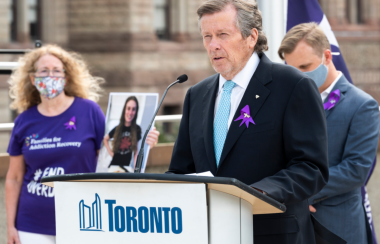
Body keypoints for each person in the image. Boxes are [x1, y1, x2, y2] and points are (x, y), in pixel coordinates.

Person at [167, 1, 329, 244]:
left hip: (271, 234)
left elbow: (311, 168)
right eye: (207, 36)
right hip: (211, 233)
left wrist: (258, 194)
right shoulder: (196, 95)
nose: (213, 45)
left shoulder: (292, 86)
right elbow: (182, 169)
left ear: (251, 37)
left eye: (222, 35)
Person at [5, 45, 159, 244]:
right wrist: (11, 226)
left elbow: (108, 158)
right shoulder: (24, 120)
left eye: (56, 70)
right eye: (43, 71)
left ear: (66, 78)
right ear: (33, 79)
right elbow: (14, 178)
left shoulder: (89, 111)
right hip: (32, 224)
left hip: (83, 217)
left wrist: (144, 145)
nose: (50, 76)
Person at [278, 23, 379, 244]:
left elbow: (355, 169)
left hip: (338, 225)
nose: (299, 76)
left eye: (305, 66)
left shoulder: (363, 105)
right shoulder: (289, 102)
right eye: (293, 69)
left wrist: (301, 192)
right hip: (292, 224)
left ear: (326, 56)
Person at [103, 96, 142, 171]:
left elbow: (136, 151)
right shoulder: (117, 128)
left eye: (133, 109)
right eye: (128, 108)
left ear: (136, 112)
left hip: (127, 168)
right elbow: (105, 139)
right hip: (114, 166)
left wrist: (135, 167)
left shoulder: (137, 129)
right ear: (124, 109)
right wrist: (111, 153)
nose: (130, 112)